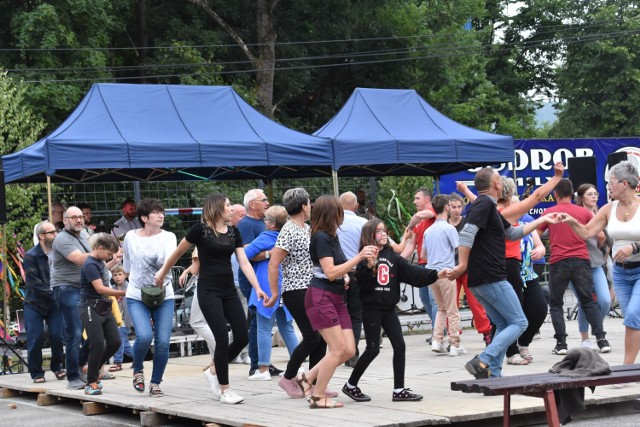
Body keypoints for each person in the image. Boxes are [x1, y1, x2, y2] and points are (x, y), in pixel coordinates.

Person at [447, 167, 561, 378]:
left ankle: (494, 375)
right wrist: (462, 264)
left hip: (482, 278)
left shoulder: (489, 208)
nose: (503, 183)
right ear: (496, 184)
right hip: (490, 275)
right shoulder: (483, 204)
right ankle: (484, 360)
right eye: (500, 179)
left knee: (503, 324)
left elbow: (513, 234)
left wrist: (542, 221)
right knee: (519, 322)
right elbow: (467, 234)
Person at [155, 193, 268, 405]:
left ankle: (214, 369)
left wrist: (258, 287)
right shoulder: (200, 231)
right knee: (222, 339)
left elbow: (244, 262)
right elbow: (177, 254)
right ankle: (225, 390)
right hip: (208, 291)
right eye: (228, 206)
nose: (231, 209)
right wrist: (162, 274)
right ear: (217, 208)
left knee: (242, 336)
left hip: (228, 290)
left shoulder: (233, 232)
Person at [342, 218, 447, 402]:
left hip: (389, 309)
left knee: (400, 346)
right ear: (370, 235)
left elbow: (413, 273)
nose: (383, 234)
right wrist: (368, 265)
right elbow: (362, 282)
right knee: (373, 349)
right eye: (379, 231)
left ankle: (399, 390)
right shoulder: (364, 256)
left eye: (384, 231)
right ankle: (351, 385)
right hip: (372, 309)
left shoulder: (392, 257)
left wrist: (436, 274)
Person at [293, 195, 378, 409]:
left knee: (349, 349)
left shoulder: (331, 236)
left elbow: (333, 270)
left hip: (335, 297)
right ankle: (317, 396)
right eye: (339, 211)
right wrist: (357, 258)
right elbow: (330, 272)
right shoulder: (321, 237)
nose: (343, 214)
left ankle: (307, 377)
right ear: (333, 213)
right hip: (321, 297)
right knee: (338, 349)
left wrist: (348, 273)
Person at [559, 160, 640, 366]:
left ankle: (626, 368)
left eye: (611, 182)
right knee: (633, 320)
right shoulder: (608, 208)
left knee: (632, 316)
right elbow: (587, 232)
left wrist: (634, 247)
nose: (608, 187)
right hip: (621, 274)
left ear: (624, 183)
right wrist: (571, 221)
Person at [264, 188, 336, 400]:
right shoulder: (289, 230)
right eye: (309, 203)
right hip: (297, 290)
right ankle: (288, 378)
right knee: (312, 336)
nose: (311, 206)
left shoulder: (306, 228)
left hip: (312, 288)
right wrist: (275, 293)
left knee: (321, 339)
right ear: (304, 206)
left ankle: (313, 384)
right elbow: (273, 264)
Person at [538, 178, 610, 355]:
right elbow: (600, 236)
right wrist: (596, 249)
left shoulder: (549, 212)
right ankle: (601, 340)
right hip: (581, 260)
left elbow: (536, 234)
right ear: (572, 194)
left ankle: (561, 344)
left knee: (556, 303)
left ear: (555, 194)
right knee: (588, 300)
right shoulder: (583, 212)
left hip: (558, 260)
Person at [122, 198, 177, 397]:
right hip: (137, 294)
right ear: (144, 218)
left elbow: (169, 259)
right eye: (155, 213)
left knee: (162, 341)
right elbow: (127, 265)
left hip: (164, 293)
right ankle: (137, 370)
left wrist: (161, 273)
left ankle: (155, 383)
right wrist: (136, 284)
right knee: (144, 336)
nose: (161, 215)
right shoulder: (130, 236)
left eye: (162, 212)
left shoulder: (169, 236)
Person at [244, 205, 299, 381]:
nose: (264, 222)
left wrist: (267, 254)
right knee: (287, 327)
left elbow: (244, 254)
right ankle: (298, 367)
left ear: (272, 223)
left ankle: (263, 369)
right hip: (287, 285)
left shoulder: (267, 236)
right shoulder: (290, 235)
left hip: (268, 286)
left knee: (263, 328)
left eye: (266, 220)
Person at [237, 189, 280, 377]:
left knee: (262, 321)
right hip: (252, 280)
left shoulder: (261, 224)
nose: (267, 203)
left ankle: (264, 361)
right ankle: (256, 364)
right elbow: (246, 255)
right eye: (264, 200)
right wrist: (273, 253)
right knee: (257, 321)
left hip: (264, 279)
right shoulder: (246, 225)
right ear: (252, 204)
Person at [50, 206, 94, 390]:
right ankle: (73, 377)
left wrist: (113, 258)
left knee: (94, 332)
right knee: (75, 333)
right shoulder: (62, 238)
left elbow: (93, 261)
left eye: (81, 217)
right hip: (67, 289)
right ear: (65, 220)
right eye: (74, 217)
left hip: (84, 289)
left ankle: (79, 365)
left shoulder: (83, 235)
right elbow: (79, 259)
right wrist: (102, 252)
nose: (78, 220)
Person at [79, 233, 126, 395]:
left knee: (115, 341)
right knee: (98, 344)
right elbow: (99, 288)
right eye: (108, 254)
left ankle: (94, 366)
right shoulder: (90, 264)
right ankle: (91, 382)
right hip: (90, 307)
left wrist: (114, 260)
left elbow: (103, 270)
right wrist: (123, 293)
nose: (109, 257)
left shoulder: (99, 262)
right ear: (99, 248)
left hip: (103, 307)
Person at [422, 195, 466, 356]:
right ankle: (454, 343)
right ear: (447, 207)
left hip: (432, 273)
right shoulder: (449, 229)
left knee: (441, 308)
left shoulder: (428, 230)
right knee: (452, 309)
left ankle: (437, 339)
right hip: (447, 272)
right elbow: (459, 248)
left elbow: (423, 254)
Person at [23, 222, 65, 384]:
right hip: (34, 303)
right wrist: (56, 293)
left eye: (56, 232)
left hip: (54, 303)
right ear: (41, 236)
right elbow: (34, 283)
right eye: (51, 232)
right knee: (35, 338)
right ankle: (36, 372)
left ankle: (57, 367)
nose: (55, 235)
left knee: (57, 336)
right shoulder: (31, 255)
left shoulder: (59, 253)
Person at [448, 192, 491, 345]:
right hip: (451, 270)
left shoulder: (467, 223)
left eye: (459, 207)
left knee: (476, 304)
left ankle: (486, 332)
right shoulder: (444, 225)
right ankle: (454, 336)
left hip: (468, 268)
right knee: (451, 305)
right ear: (448, 208)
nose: (456, 210)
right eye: (453, 207)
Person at [572, 183, 612, 350]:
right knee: (584, 301)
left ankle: (597, 329)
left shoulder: (600, 213)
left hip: (596, 263)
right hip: (577, 264)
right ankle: (585, 338)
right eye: (590, 194)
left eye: (596, 193)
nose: (594, 196)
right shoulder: (577, 214)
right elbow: (600, 236)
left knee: (605, 300)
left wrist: (601, 251)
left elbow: (605, 237)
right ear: (581, 198)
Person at [337, 191, 368, 368]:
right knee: (355, 316)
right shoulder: (363, 223)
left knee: (339, 314)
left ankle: (340, 350)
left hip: (338, 273)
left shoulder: (334, 224)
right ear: (356, 206)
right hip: (358, 273)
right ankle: (352, 352)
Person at [406, 187, 438, 342]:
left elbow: (420, 214)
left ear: (427, 199)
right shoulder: (418, 223)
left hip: (433, 264)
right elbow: (412, 246)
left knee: (433, 299)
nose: (414, 201)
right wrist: (396, 259)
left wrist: (409, 226)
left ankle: (439, 332)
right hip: (421, 264)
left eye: (417, 198)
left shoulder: (432, 212)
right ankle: (436, 329)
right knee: (424, 297)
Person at [108, 263, 133, 372]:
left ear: (125, 275)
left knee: (118, 342)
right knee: (125, 346)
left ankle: (118, 362)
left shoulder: (130, 287)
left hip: (125, 320)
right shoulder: (112, 289)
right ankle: (138, 358)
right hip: (116, 320)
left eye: (120, 274)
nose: (117, 277)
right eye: (115, 275)